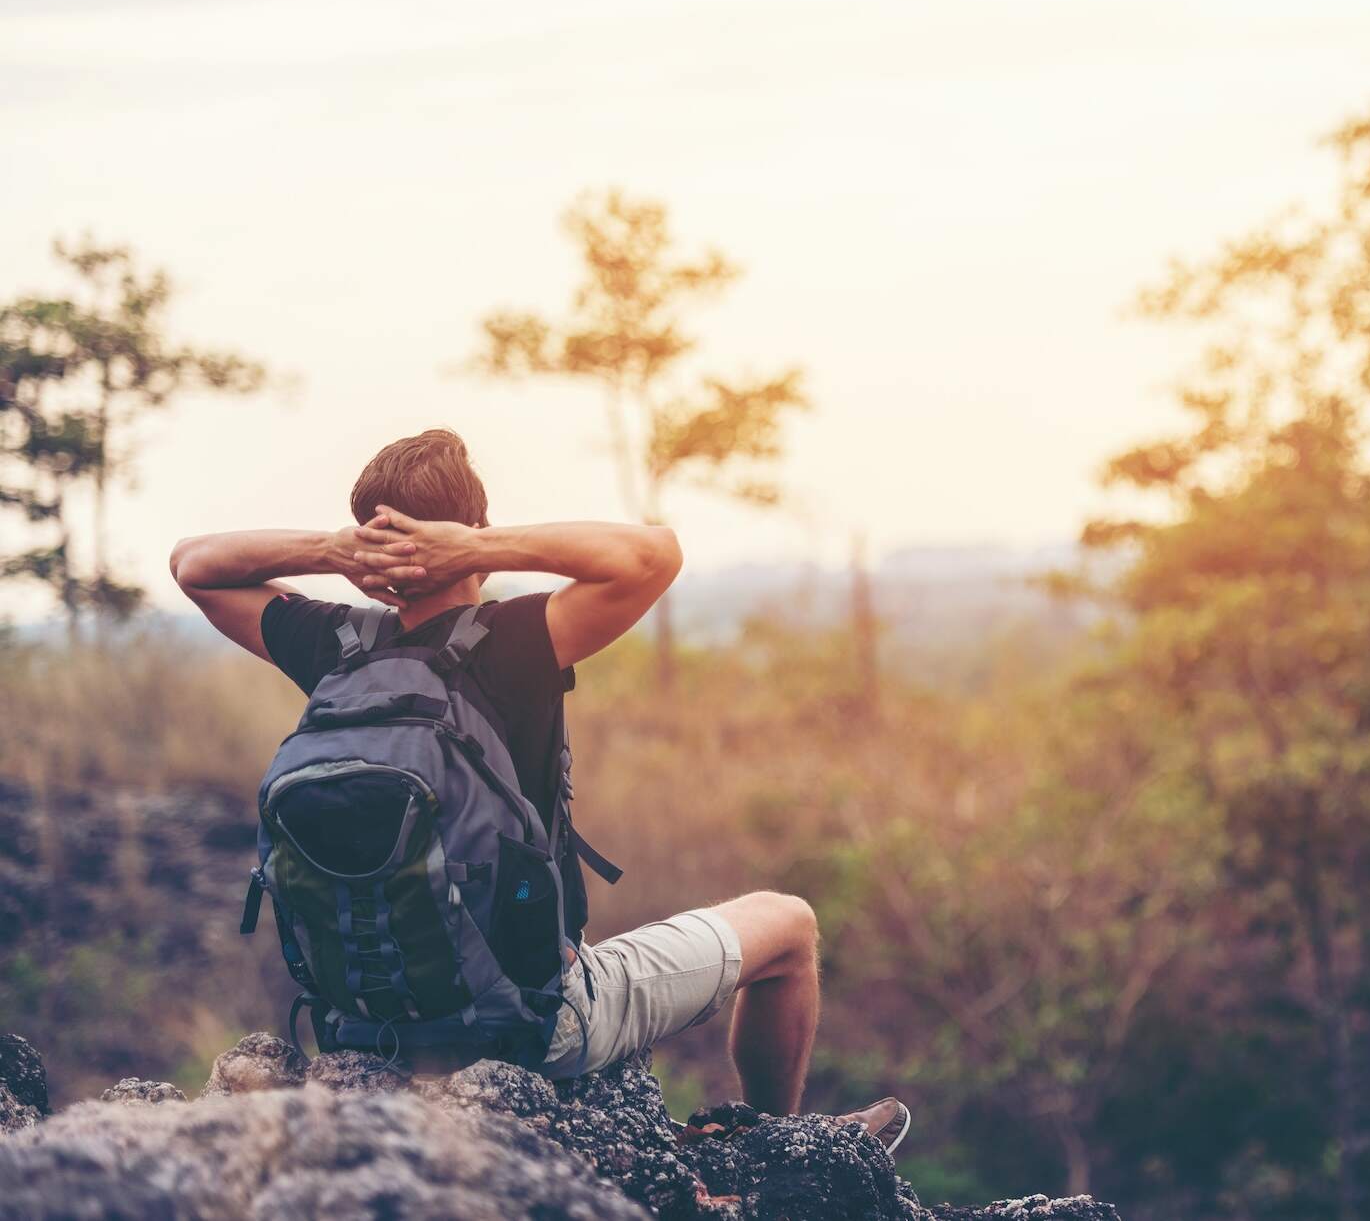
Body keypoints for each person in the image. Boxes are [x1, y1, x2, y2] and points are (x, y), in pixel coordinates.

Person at [170, 427, 908, 1150]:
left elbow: (192, 565)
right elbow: (655, 553)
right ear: (474, 529)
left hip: (367, 1031)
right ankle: (776, 1149)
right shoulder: (513, 642)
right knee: (788, 925)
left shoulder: (334, 649)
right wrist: (478, 548)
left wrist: (328, 552)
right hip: (534, 1026)